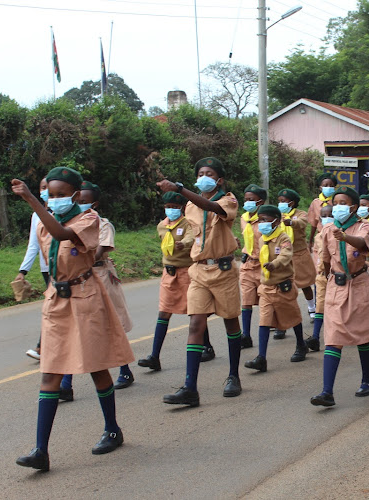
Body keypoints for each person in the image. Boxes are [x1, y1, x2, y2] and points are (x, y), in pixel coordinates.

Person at [12, 167, 134, 471]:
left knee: (96, 367)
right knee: (50, 372)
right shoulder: (43, 221)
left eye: (60, 194)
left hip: (85, 297)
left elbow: (62, 234)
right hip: (56, 300)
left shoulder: (88, 220)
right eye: (49, 194)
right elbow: (46, 248)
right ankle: (41, 450)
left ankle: (112, 429)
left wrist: (31, 199)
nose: (53, 199)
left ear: (76, 196)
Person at [158, 157, 243, 407]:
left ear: (219, 179)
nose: (204, 176)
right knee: (195, 324)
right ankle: (190, 387)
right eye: (200, 173)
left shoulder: (228, 199)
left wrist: (179, 188)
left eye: (209, 173)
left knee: (230, 322)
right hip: (199, 271)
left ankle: (233, 376)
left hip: (223, 270)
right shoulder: (190, 206)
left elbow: (213, 208)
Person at [310, 187, 369, 407]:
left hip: (359, 284)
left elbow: (363, 244)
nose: (337, 206)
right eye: (335, 202)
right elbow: (326, 259)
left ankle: (367, 380)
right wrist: (327, 280)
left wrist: (345, 236)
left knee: (363, 334)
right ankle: (327, 392)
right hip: (337, 286)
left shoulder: (363, 225)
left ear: (353, 207)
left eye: (342, 203)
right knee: (333, 337)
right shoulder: (328, 229)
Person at [58, 181, 136, 395]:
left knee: (111, 326)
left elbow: (99, 250)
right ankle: (66, 384)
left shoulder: (101, 224)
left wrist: (80, 259)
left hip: (100, 274)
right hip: (79, 281)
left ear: (95, 203)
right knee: (75, 328)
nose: (80, 204)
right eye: (78, 200)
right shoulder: (67, 226)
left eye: (85, 201)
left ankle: (125, 370)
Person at [137, 191, 196, 371]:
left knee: (194, 312)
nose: (171, 210)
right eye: (168, 207)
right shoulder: (162, 225)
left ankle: (206, 346)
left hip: (186, 271)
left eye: (175, 207)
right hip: (168, 273)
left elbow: (191, 237)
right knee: (164, 312)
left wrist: (184, 244)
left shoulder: (188, 224)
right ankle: (154, 356)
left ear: (182, 208)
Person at [244, 205, 307, 373]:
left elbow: (286, 255)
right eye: (260, 220)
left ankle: (301, 344)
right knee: (264, 321)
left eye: (265, 220)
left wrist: (275, 264)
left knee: (293, 317)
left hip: (283, 286)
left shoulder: (283, 238)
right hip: (266, 287)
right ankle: (261, 358)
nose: (262, 224)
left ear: (276, 221)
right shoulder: (262, 238)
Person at [18, 176, 51, 360]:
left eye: (48, 186)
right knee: (54, 307)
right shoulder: (36, 215)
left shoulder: (65, 212)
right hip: (47, 268)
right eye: (42, 187)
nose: (45, 190)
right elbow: (34, 245)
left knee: (52, 307)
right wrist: (23, 271)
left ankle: (42, 347)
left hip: (65, 267)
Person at [277, 189, 317, 324]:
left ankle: (312, 308)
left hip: (298, 254)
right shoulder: (278, 215)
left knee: (305, 284)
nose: (280, 203)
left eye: (283, 201)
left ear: (292, 203)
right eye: (279, 201)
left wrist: (291, 222)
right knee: (283, 285)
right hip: (283, 255)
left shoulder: (300, 214)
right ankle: (283, 316)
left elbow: (302, 223)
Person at [240, 184, 266, 346]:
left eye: (252, 200)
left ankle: (278, 326)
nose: (248, 202)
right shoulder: (244, 218)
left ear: (260, 202)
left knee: (268, 301)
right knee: (246, 300)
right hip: (248, 264)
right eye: (246, 199)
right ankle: (246, 335)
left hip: (264, 265)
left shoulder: (266, 220)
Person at [304, 204, 332, 352]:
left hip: (337, 276)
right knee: (320, 306)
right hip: (322, 277)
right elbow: (317, 258)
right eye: (324, 216)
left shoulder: (341, 235)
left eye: (330, 215)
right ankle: (315, 337)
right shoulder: (318, 237)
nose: (327, 218)